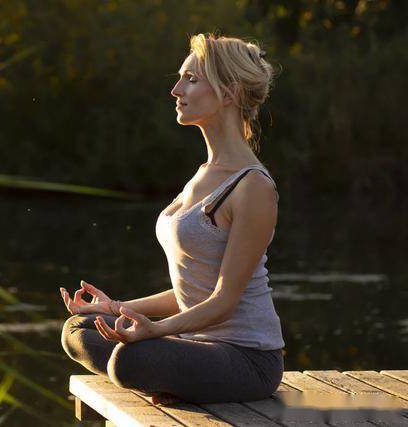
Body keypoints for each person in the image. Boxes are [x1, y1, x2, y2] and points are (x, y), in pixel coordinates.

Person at [59, 32, 285, 406]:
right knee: (78, 330)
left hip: (247, 360)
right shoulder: (202, 174)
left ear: (228, 93)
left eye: (191, 79)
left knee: (131, 359)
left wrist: (155, 332)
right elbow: (189, 294)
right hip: (191, 344)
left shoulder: (252, 187)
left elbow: (223, 301)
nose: (176, 89)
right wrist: (115, 308)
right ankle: (176, 376)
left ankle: (173, 374)